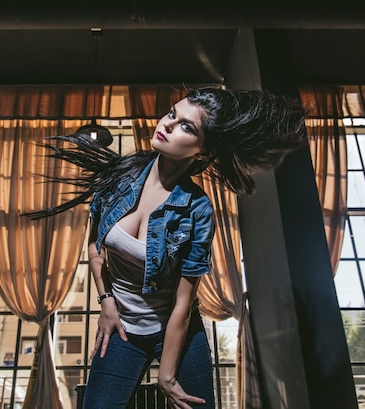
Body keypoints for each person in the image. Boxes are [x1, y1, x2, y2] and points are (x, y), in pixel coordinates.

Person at [25, 86, 307, 408]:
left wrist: (168, 373)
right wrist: (106, 302)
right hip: (122, 329)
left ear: (201, 151)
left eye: (187, 126)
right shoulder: (119, 178)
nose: (169, 125)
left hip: (178, 333)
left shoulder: (197, 209)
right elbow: (95, 245)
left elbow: (183, 303)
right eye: (172, 114)